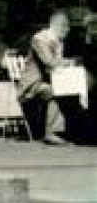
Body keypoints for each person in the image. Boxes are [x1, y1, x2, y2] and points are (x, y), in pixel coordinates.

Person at [18, 11, 88, 146]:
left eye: (67, 26)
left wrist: (67, 62)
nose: (67, 30)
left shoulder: (58, 41)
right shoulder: (39, 38)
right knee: (55, 91)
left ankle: (73, 131)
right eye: (64, 26)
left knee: (71, 91)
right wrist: (71, 62)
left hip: (49, 80)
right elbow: (50, 62)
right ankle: (52, 133)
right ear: (53, 25)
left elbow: (58, 65)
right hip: (31, 85)